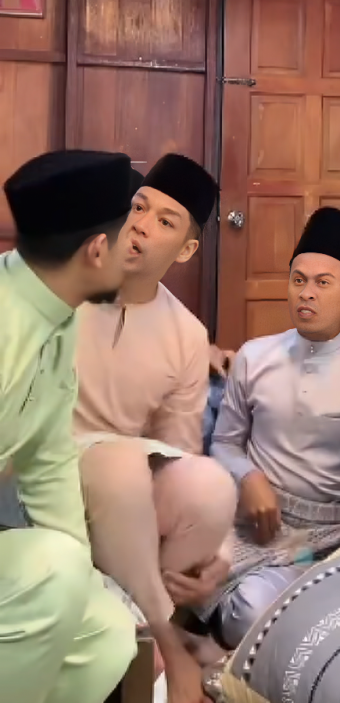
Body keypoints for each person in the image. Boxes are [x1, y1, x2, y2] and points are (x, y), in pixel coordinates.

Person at [73, 153, 237, 703]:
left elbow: (178, 453)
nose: (141, 224)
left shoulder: (187, 335)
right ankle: (160, 636)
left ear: (186, 250)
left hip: (121, 504)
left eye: (165, 221)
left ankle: (140, 622)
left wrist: (218, 549)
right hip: (35, 481)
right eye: (138, 207)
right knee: (119, 467)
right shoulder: (62, 284)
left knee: (207, 489)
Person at [210, 206, 340, 649]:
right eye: (298, 280)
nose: (307, 293)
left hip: (337, 537)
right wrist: (250, 477)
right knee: (243, 611)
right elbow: (224, 444)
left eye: (323, 283)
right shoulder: (254, 357)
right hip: (258, 531)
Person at [0, 149, 137, 703]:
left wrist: (83, 577)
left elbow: (48, 461)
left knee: (107, 633)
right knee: (52, 572)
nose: (134, 252)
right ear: (97, 250)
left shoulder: (55, 319)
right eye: (128, 238)